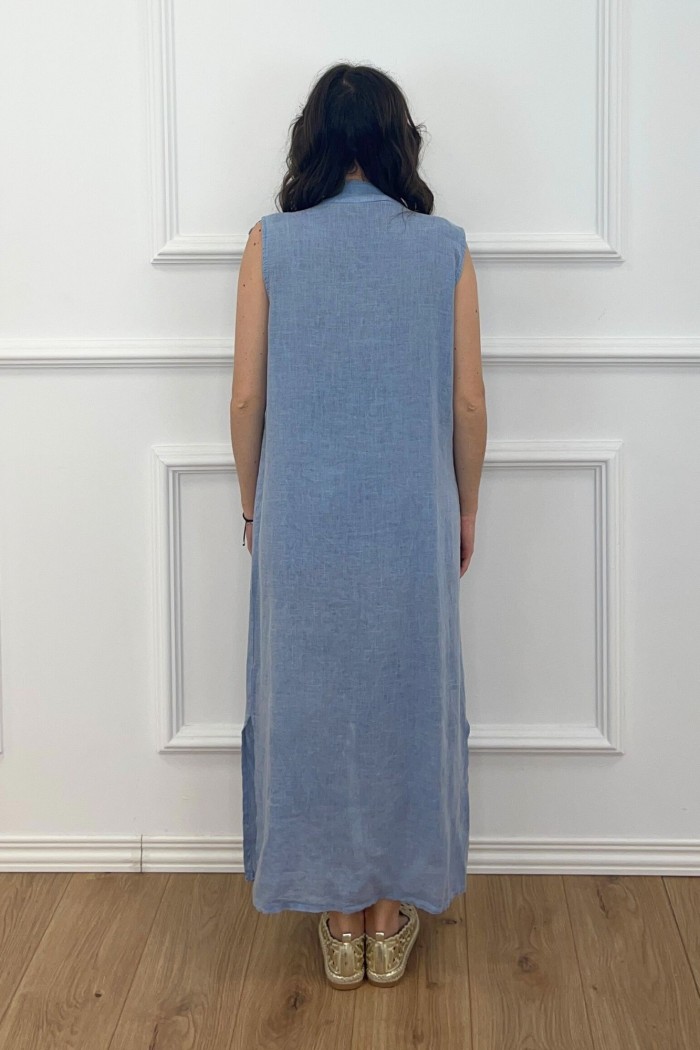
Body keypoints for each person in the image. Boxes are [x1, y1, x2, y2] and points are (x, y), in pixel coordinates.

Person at [230, 61, 486, 988]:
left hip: (300, 519)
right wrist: (465, 507)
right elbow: (467, 402)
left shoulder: (271, 244)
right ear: (395, 141)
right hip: (411, 518)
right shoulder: (444, 248)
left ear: (313, 142)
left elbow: (247, 396)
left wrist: (253, 503)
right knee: (406, 704)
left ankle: (337, 920)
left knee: (309, 707)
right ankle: (388, 911)